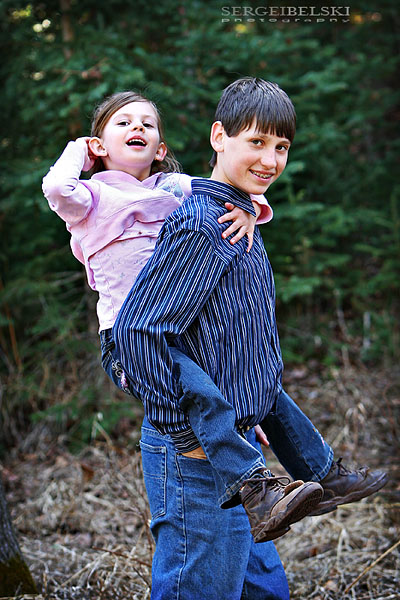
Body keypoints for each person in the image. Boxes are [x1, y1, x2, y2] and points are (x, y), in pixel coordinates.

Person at [43, 85, 387, 598]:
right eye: (257, 142)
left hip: (228, 426)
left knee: (261, 587)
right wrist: (188, 429)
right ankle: (273, 475)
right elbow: (139, 331)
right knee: (200, 587)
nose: (271, 159)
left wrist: (238, 408)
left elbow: (217, 322)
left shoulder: (197, 202)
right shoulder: (173, 217)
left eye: (281, 147)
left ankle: (316, 470)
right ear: (219, 136)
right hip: (187, 431)